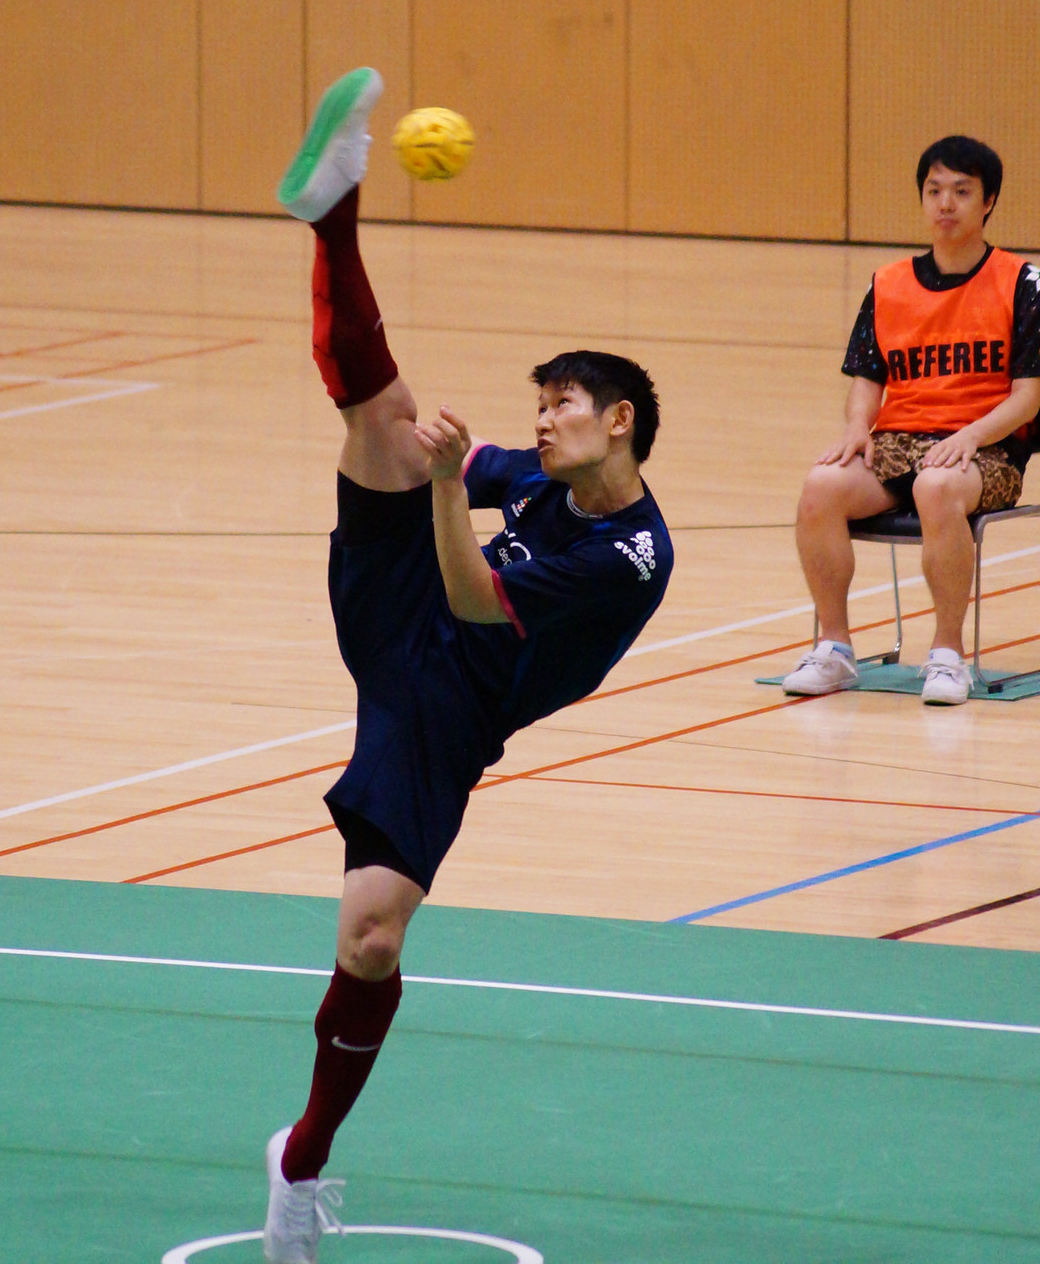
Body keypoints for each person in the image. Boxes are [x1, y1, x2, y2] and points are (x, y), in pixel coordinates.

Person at [262, 67, 673, 1262]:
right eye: (540, 405)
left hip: (447, 708)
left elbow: (473, 595)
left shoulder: (630, 554)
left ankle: (300, 1161)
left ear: (621, 421)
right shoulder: (544, 475)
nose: (542, 420)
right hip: (401, 622)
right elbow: (447, 461)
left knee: (371, 941)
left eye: (564, 405)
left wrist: (447, 482)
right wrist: (443, 454)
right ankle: (334, 210)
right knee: (382, 418)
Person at [783, 135, 1040, 707]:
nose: (945, 203)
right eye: (934, 190)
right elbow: (866, 380)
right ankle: (835, 649)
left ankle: (947, 655)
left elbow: (1028, 397)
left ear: (989, 201)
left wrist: (971, 436)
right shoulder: (889, 283)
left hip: (986, 447)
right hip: (900, 440)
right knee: (821, 485)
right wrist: (857, 428)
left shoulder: (1021, 282)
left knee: (936, 486)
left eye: (962, 192)